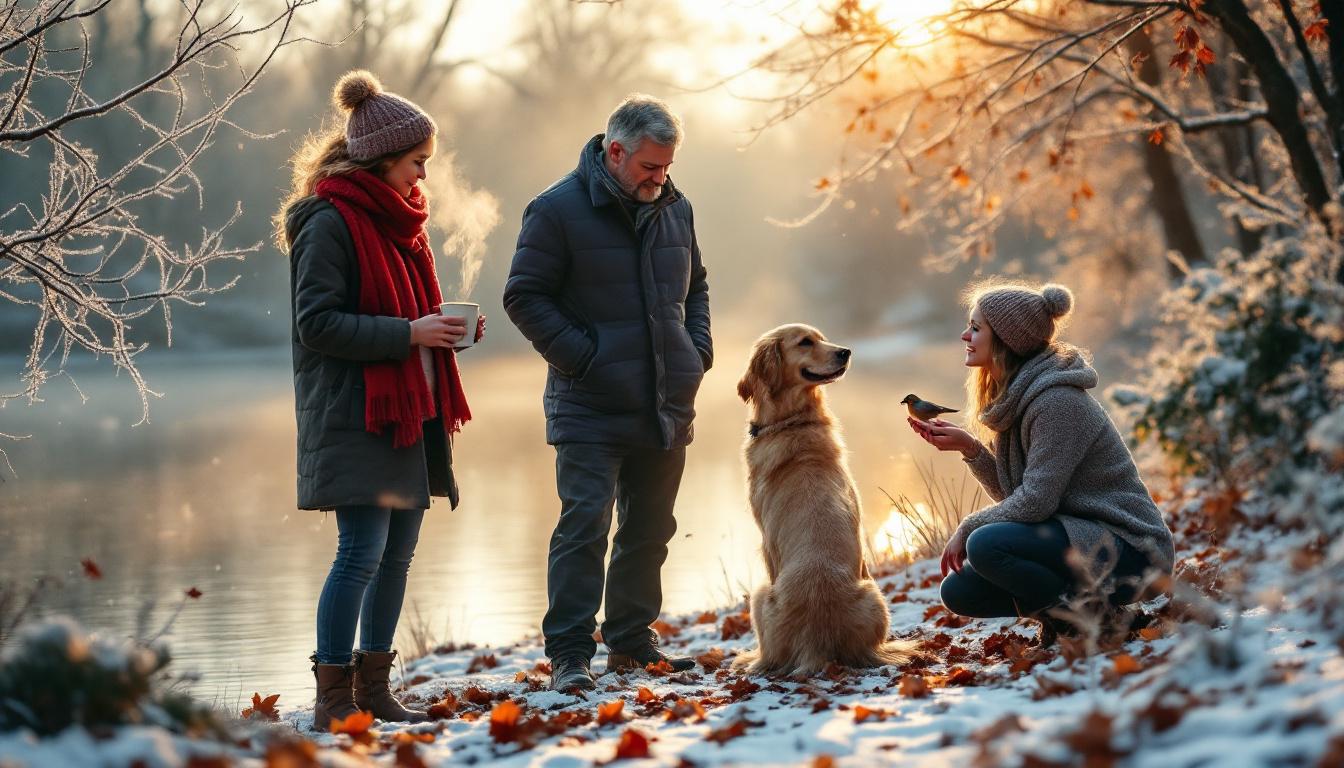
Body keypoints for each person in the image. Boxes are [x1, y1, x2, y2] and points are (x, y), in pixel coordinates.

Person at [275, 70, 484, 730]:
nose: (424, 176)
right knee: (361, 552)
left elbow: (410, 314)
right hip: (356, 413)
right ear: (386, 157)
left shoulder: (400, 224)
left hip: (407, 413)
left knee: (396, 554)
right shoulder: (328, 222)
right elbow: (317, 325)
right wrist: (409, 333)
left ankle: (373, 689)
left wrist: (444, 330)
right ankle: (333, 697)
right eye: (418, 163)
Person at [503, 94, 713, 691]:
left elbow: (696, 287)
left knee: (650, 528)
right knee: (584, 528)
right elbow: (524, 297)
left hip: (667, 401)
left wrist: (696, 353)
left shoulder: (678, 207)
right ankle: (569, 655)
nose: (660, 178)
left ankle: (630, 641)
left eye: (667, 167)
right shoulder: (555, 210)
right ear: (615, 151)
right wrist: (588, 360)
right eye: (650, 166)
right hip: (589, 404)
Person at [908, 281, 1174, 644]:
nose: (964, 335)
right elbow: (1017, 497)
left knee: (985, 545)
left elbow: (1035, 503)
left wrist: (967, 525)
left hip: (1132, 550)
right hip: (1081, 538)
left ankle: (1089, 622)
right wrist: (970, 448)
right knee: (958, 591)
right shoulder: (1018, 399)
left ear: (1005, 338)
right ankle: (1080, 617)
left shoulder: (1056, 403)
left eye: (975, 327)